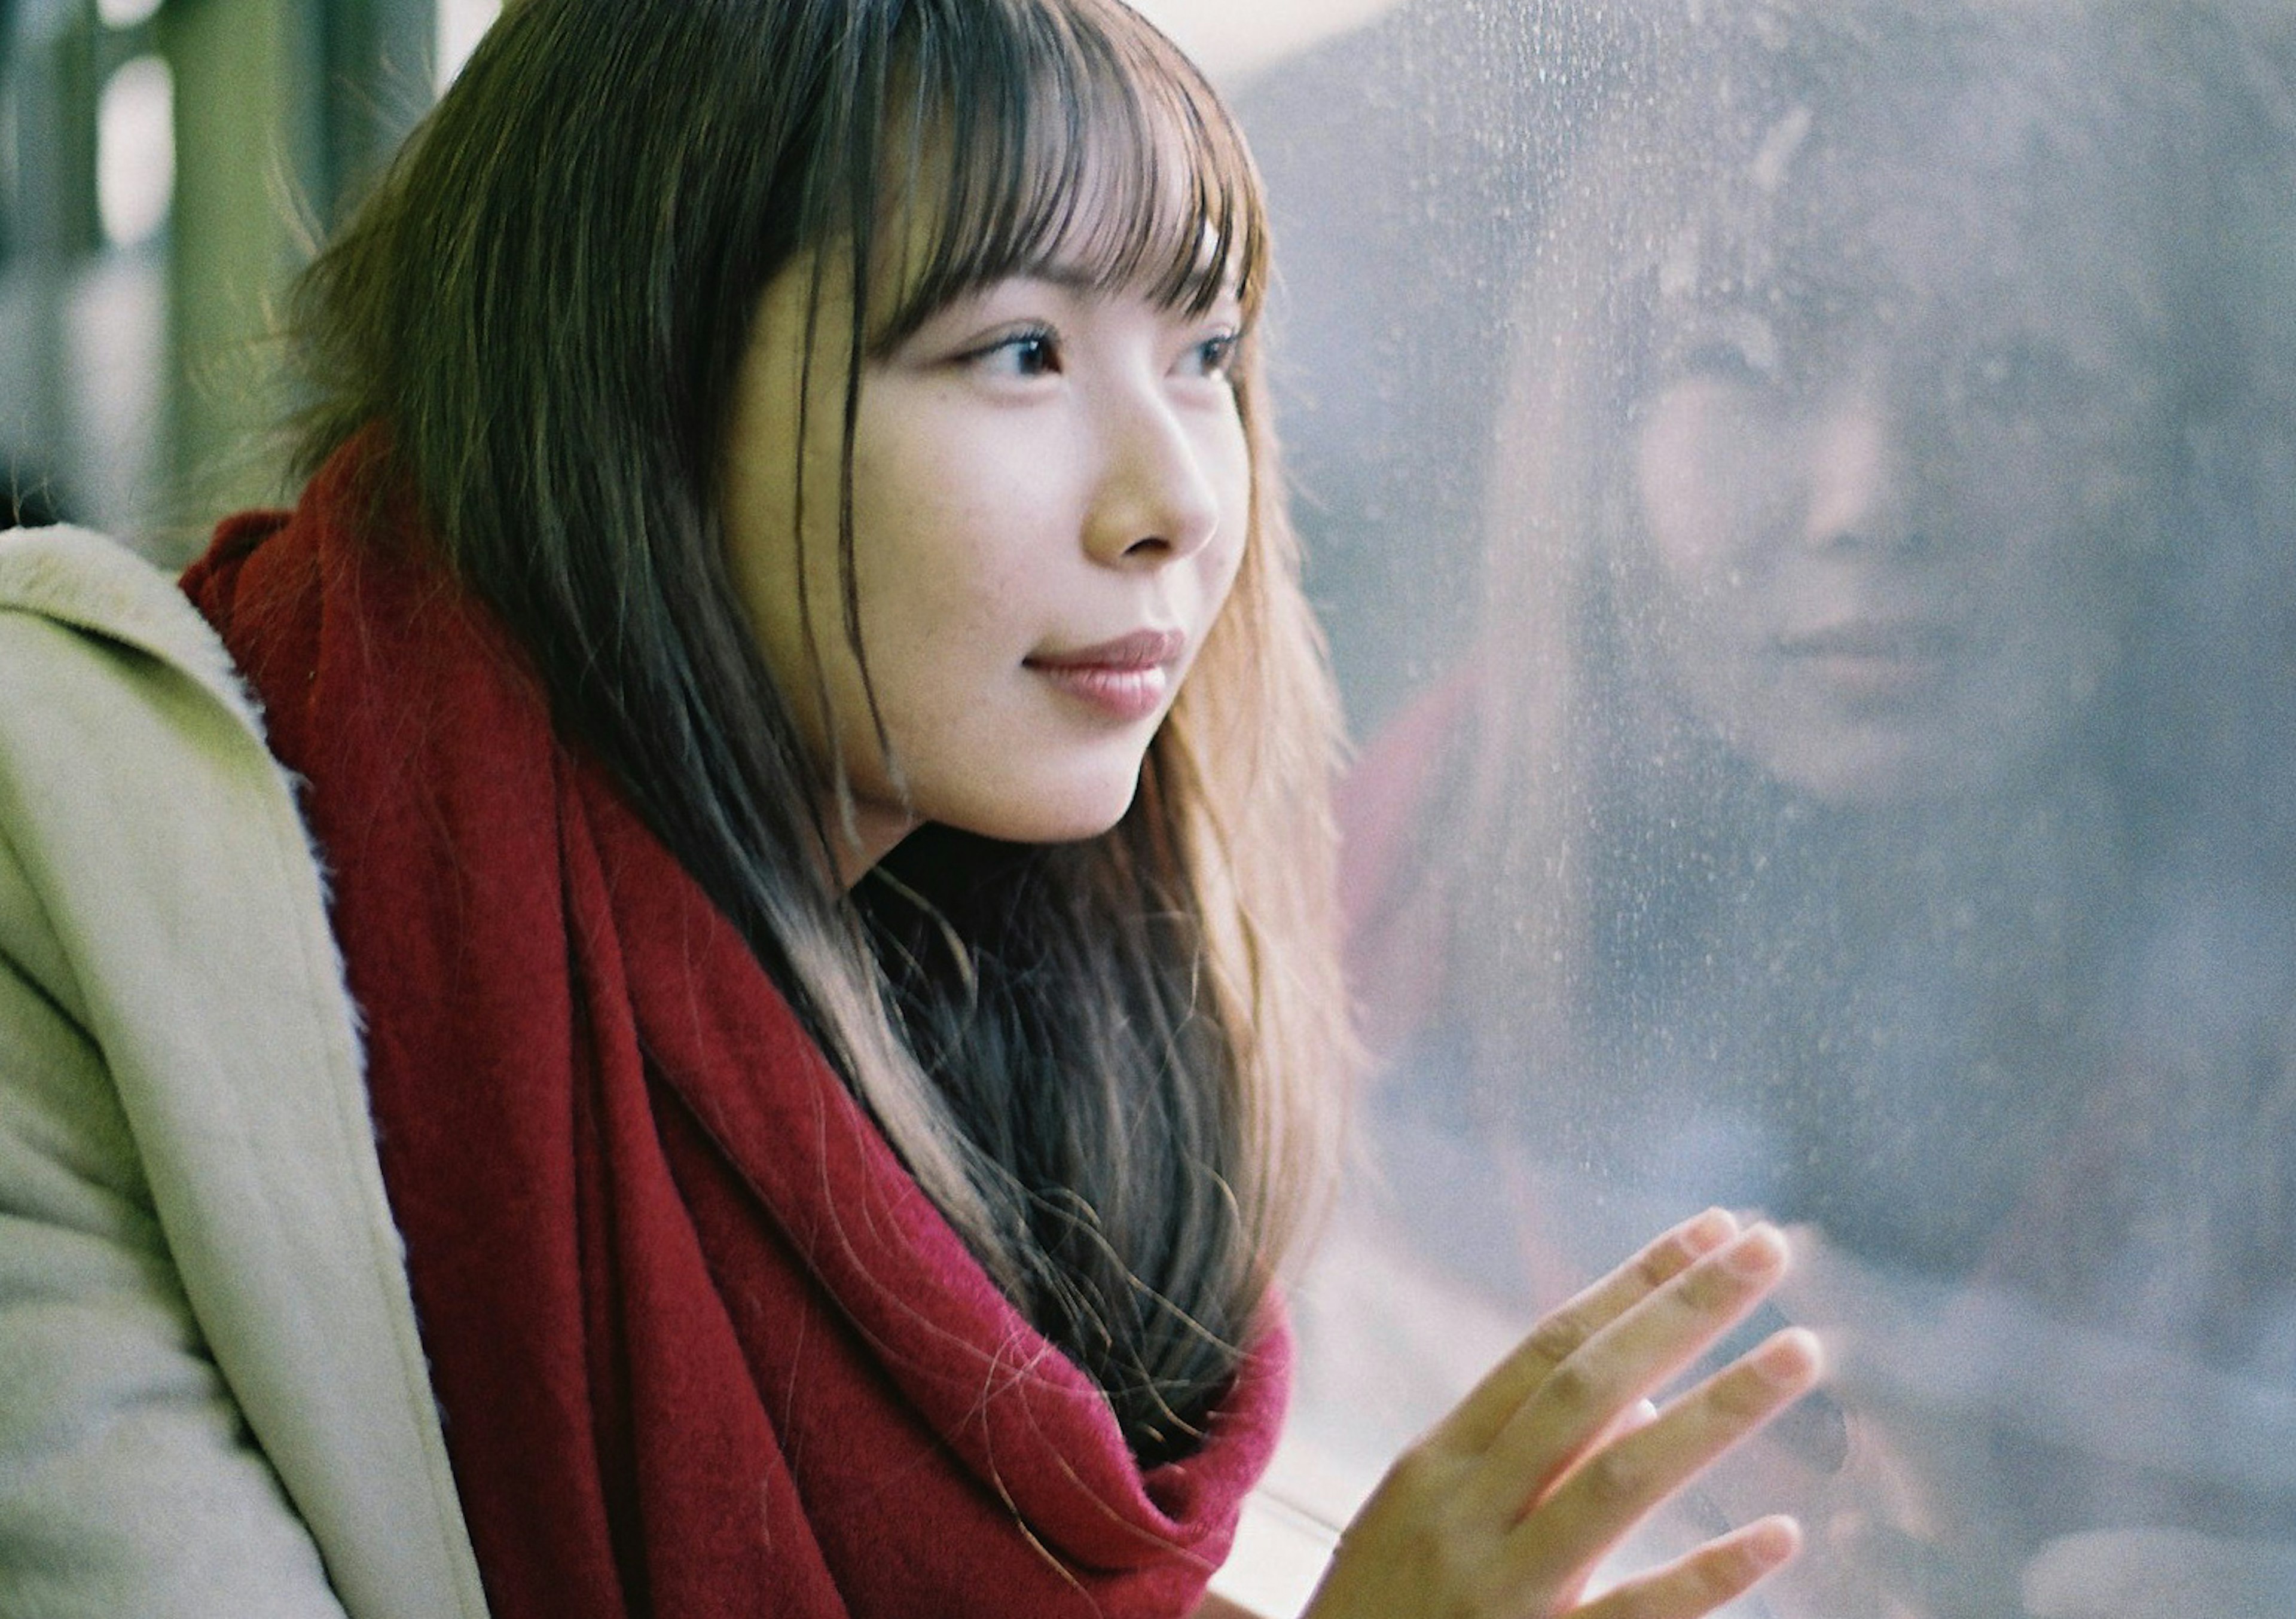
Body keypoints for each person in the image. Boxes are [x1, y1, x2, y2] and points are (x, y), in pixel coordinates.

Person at [0, 2, 1825, 1615]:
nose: (1179, 499)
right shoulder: (61, 891)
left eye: (1204, 353)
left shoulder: (1000, 1024)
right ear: (642, 388)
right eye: (1019, 350)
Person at [1316, 0, 2296, 1613]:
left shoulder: (2234, 918)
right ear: (1601, 428)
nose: (1876, 497)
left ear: (2168, 450)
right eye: (1747, 357)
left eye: (2015, 372)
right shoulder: (1420, 848)